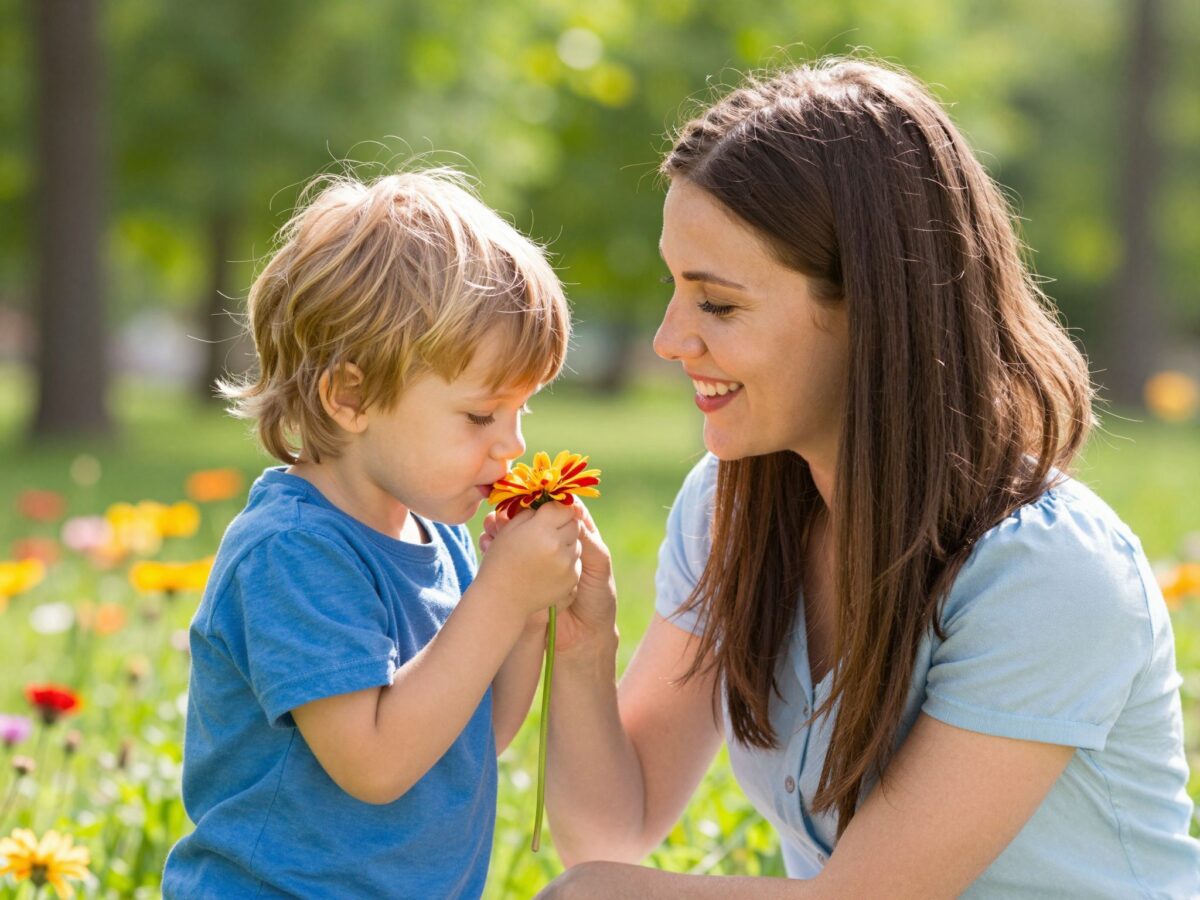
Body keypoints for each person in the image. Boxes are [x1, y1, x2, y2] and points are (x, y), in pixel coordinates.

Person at [522, 59, 1200, 897]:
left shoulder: (1047, 573)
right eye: (675, 289)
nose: (668, 339)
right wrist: (583, 648)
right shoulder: (729, 507)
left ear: (871, 311)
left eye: (718, 304)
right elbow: (609, 830)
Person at [162, 168, 581, 898]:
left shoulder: (437, 535)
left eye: (523, 411)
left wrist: (522, 616)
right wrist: (500, 599)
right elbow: (377, 764)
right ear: (351, 395)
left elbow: (471, 741)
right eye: (481, 416)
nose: (511, 445)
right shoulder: (292, 551)